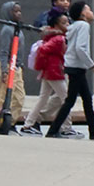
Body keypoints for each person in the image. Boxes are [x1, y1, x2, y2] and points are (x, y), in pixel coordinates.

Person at [21, 8, 84, 139]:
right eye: (64, 23)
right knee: (66, 99)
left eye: (67, 23)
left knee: (43, 98)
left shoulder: (54, 37)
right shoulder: (59, 39)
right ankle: (66, 128)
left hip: (50, 72)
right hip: (55, 72)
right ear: (56, 25)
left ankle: (28, 124)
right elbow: (44, 50)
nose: (67, 25)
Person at [46, 2, 94, 140]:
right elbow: (80, 48)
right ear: (82, 14)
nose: (91, 11)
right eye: (88, 9)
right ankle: (53, 130)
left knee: (85, 100)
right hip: (77, 67)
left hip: (73, 66)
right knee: (71, 101)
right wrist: (91, 65)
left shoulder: (74, 26)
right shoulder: (83, 25)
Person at [0, 1, 26, 134]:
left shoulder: (17, 28)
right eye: (15, 11)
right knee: (4, 96)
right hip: (7, 65)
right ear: (8, 13)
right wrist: (5, 71)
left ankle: (10, 122)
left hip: (16, 66)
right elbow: (3, 51)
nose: (18, 13)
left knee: (19, 97)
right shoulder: (7, 29)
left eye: (19, 11)